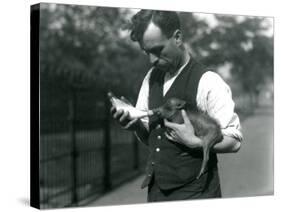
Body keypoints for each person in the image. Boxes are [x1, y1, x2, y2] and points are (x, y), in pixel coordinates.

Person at [111, 10, 243, 202]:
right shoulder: (151, 78)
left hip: (197, 194)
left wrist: (196, 142)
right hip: (156, 193)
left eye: (157, 50)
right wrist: (135, 124)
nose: (152, 60)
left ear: (178, 37)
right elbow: (152, 138)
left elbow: (234, 141)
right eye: (146, 52)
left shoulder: (208, 81)